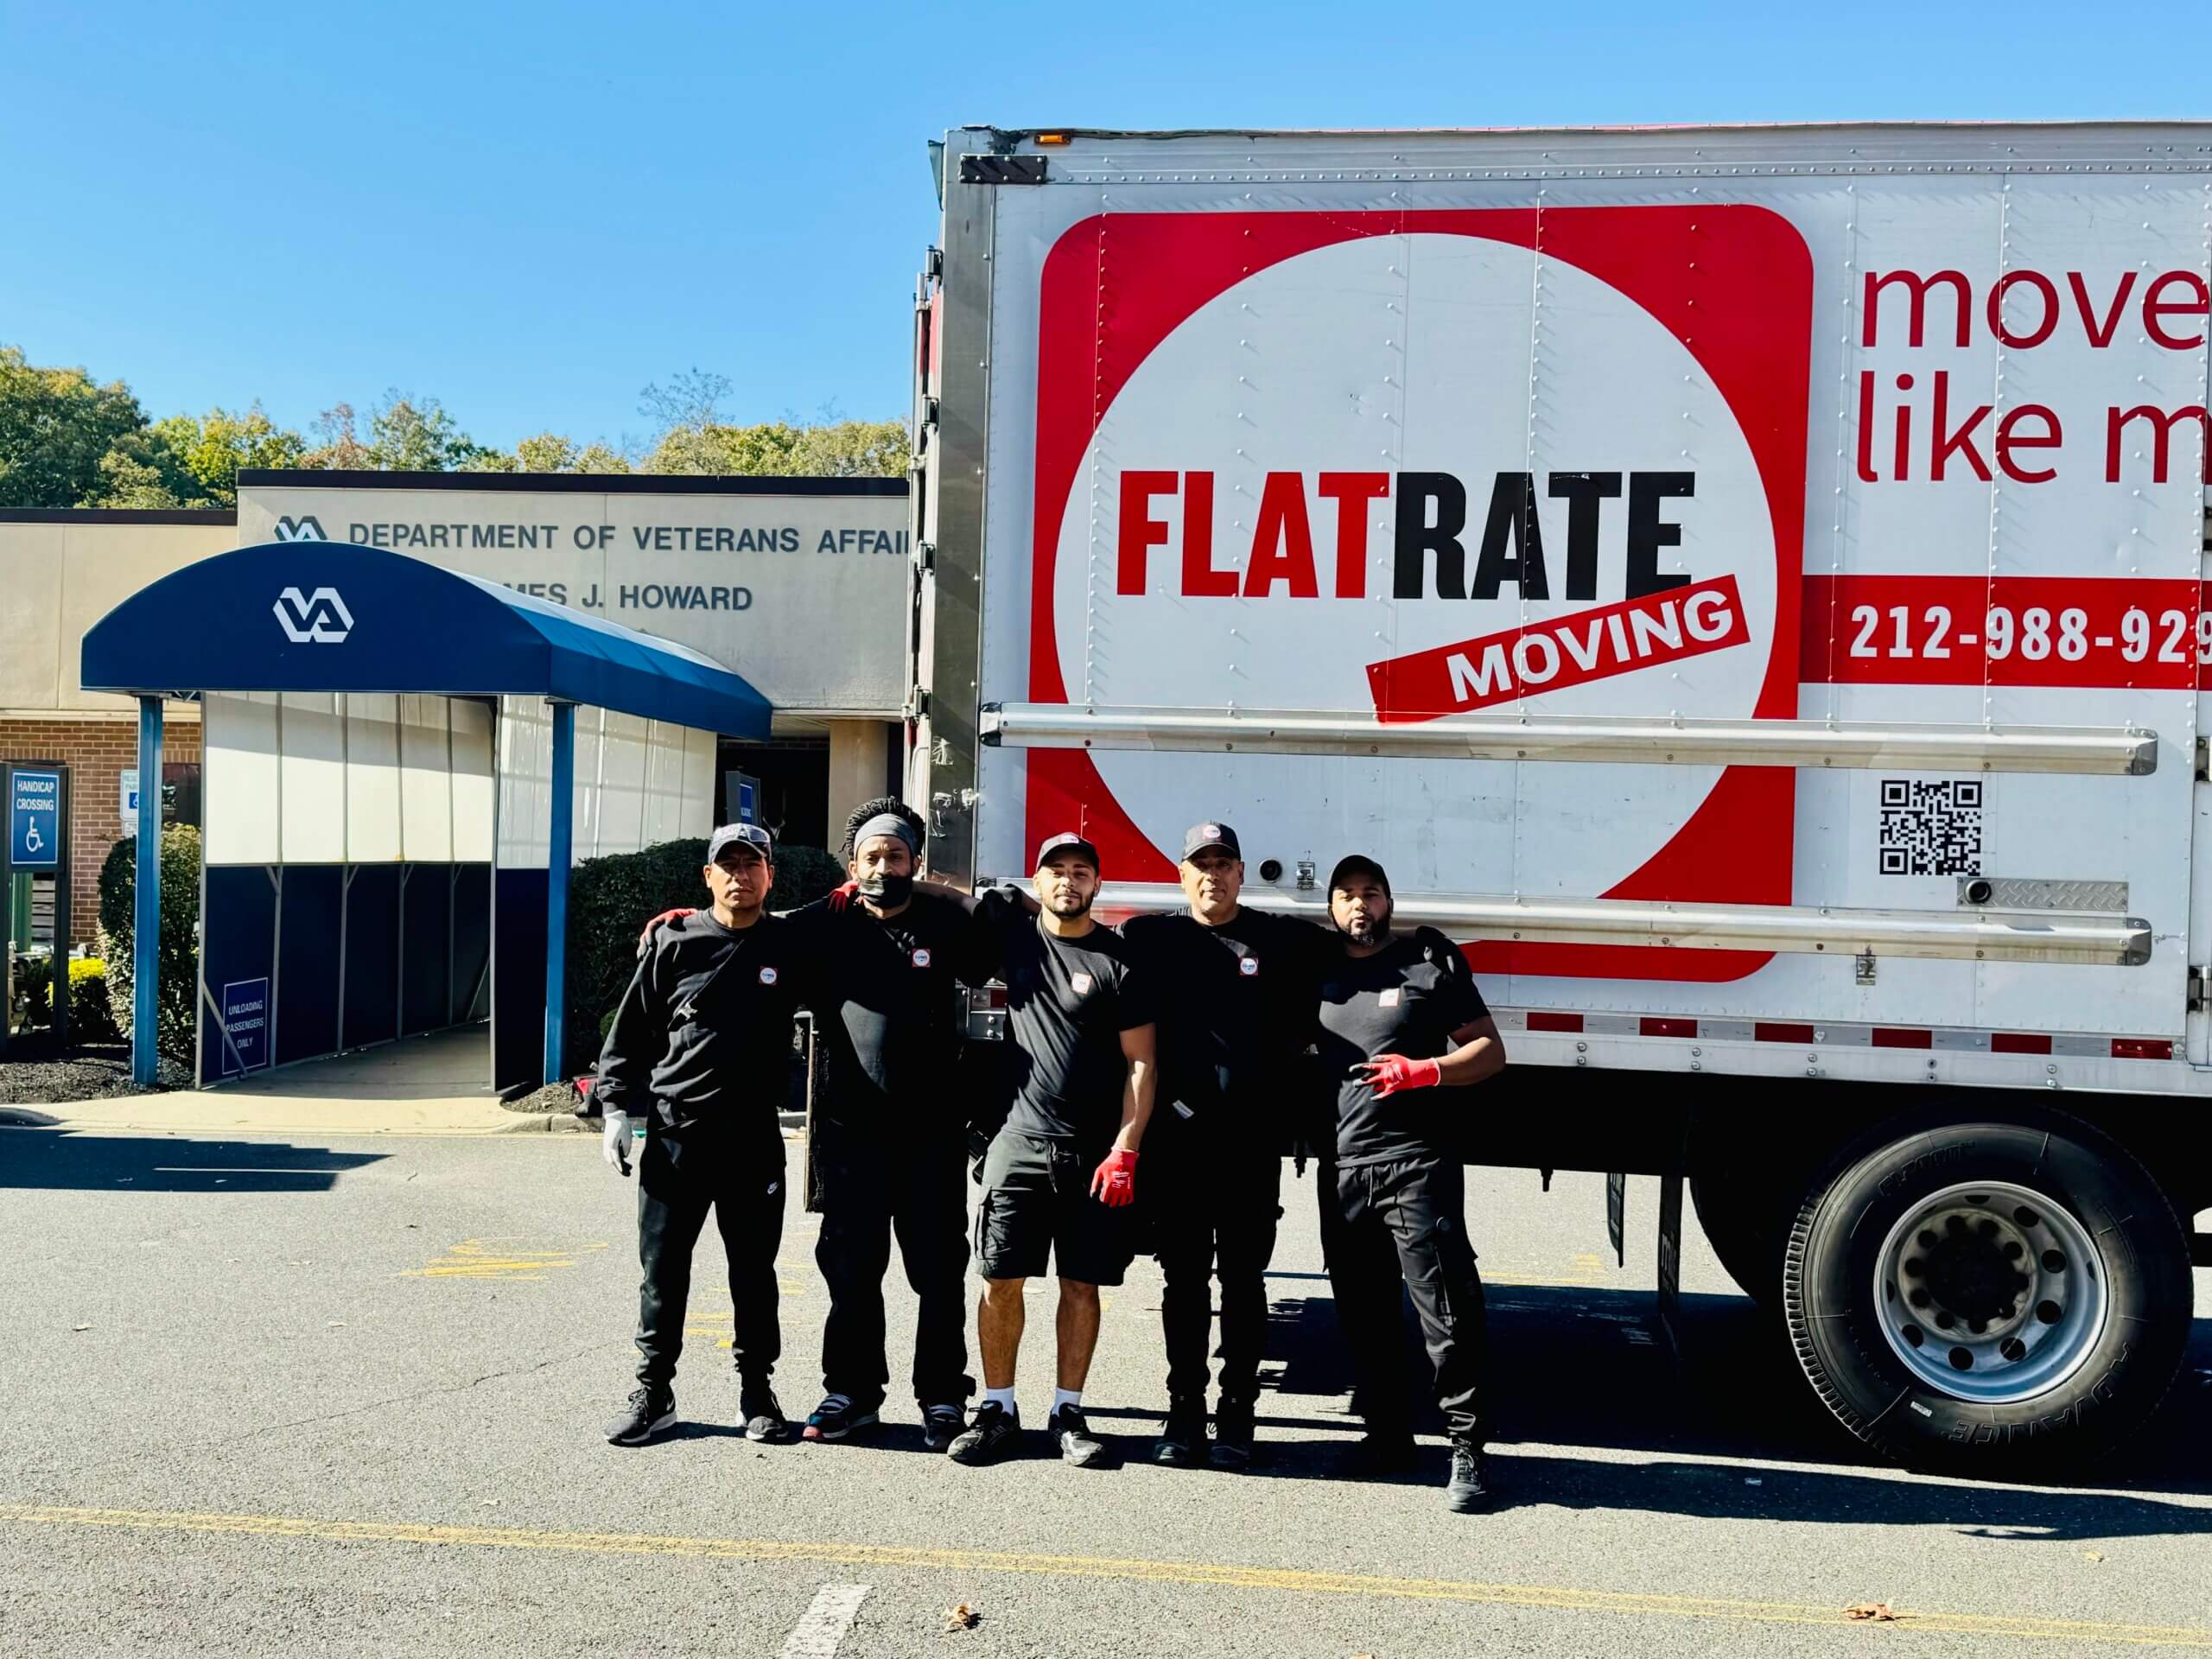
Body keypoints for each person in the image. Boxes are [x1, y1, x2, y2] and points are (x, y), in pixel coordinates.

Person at [1121, 822, 1331, 1471]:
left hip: (1248, 1142)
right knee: (1182, 1280)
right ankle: (1183, 1412)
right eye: (1200, 864)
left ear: (1243, 872)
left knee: (1244, 1280)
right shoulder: (1152, 937)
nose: (1213, 875)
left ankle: (1237, 1411)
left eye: (1224, 863)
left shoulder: (1278, 938)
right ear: (1182, 875)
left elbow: (1350, 956)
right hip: (1177, 1142)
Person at [789, 798, 996, 1450]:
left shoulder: (946, 922)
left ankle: (941, 1396)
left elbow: (1013, 928)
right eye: (873, 857)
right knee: (851, 1272)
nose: (885, 867)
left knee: (938, 1274)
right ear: (853, 867)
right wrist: (679, 919)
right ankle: (851, 1392)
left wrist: (945, 888)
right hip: (850, 1138)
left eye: (897, 856)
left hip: (931, 1137)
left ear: (917, 863)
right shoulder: (824, 924)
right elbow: (746, 932)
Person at [947, 832, 1158, 1468]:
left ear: (1097, 884)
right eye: (1056, 871)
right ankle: (998, 1408)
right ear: (1037, 882)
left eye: (1080, 871)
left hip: (1093, 1154)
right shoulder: (1012, 937)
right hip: (1017, 1142)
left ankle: (1069, 1410)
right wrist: (853, 890)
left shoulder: (1117, 962)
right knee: (998, 1280)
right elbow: (938, 900)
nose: (1068, 881)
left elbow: (1142, 1062)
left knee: (1081, 1284)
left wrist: (1126, 1146)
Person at [597, 822, 806, 1448]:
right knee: (664, 1273)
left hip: (753, 1141)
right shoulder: (675, 941)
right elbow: (629, 1034)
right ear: (708, 875)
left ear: (770, 874)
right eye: (729, 865)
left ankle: (756, 1392)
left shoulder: (790, 943)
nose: (741, 875)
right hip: (676, 1136)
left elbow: (854, 908)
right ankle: (654, 1391)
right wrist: (614, 1110)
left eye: (753, 864)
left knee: (753, 1272)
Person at [1313, 854, 1507, 1513]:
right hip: (1343, 1168)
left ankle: (1468, 1450)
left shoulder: (1427, 962)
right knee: (1362, 1310)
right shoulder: (1318, 967)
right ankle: (1386, 1438)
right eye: (1347, 895)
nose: (1360, 904)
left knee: (1445, 1313)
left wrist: (1424, 1071)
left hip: (1416, 1164)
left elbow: (1489, 1049)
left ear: (1390, 902)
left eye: (1372, 892)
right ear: (1332, 907)